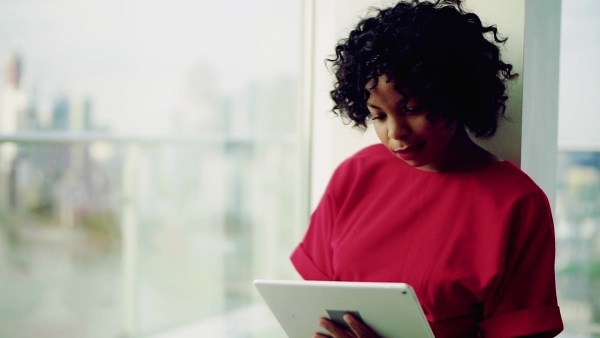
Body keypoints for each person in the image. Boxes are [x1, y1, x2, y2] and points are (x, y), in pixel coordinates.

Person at [290, 0, 564, 337]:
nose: (395, 132)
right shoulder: (356, 174)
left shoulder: (516, 202)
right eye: (378, 115)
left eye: (413, 108)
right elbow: (314, 308)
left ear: (456, 95)